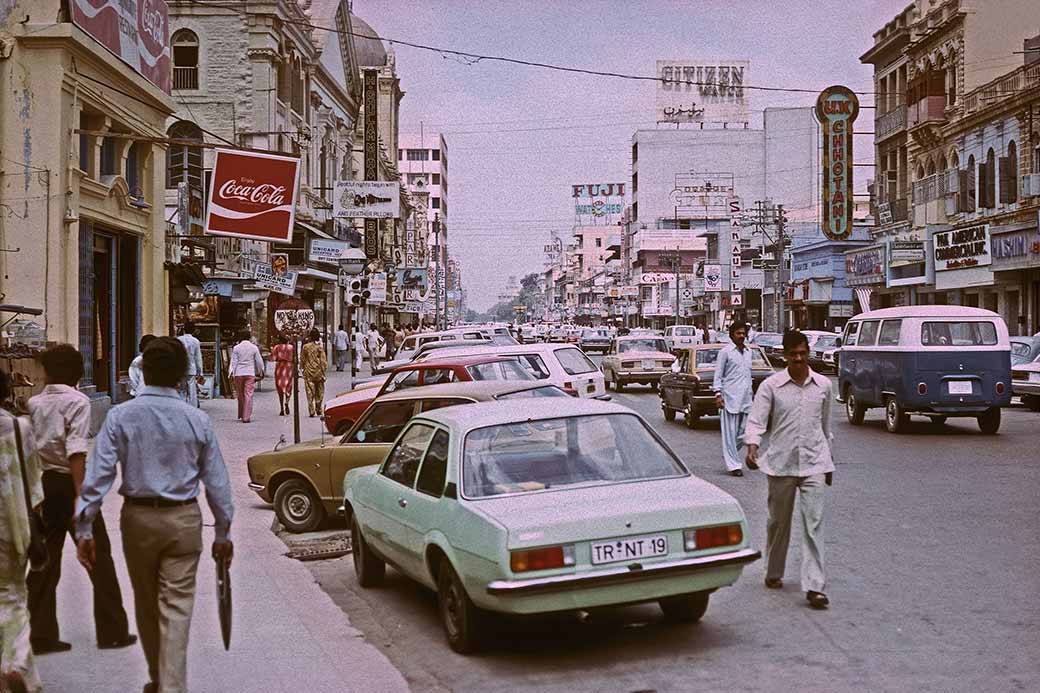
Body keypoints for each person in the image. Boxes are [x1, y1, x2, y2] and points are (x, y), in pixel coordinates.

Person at [74, 337, 234, 693]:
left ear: (143, 371)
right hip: (184, 522)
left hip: (138, 521)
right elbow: (218, 483)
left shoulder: (120, 416)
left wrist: (84, 527)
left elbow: (98, 475)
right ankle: (168, 683)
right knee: (176, 609)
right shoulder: (197, 420)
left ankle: (161, 681)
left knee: (146, 605)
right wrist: (222, 532)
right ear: (182, 375)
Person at [26, 345, 136, 655]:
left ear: (47, 371)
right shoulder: (78, 401)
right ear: (77, 372)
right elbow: (76, 451)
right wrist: (82, 498)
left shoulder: (35, 403)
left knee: (45, 560)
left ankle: (40, 632)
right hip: (69, 483)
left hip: (44, 485)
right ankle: (112, 630)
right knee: (99, 556)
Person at [744, 329, 835, 610]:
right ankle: (774, 571)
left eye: (802, 353)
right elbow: (757, 420)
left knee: (814, 525)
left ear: (808, 353)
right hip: (781, 464)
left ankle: (815, 586)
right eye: (793, 354)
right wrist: (752, 445)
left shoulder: (823, 386)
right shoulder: (771, 386)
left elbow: (825, 427)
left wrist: (828, 461)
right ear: (785, 356)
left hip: (815, 463)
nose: (798, 359)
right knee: (778, 522)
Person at [0, 370, 44, 693]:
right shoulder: (18, 427)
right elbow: (33, 483)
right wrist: (36, 527)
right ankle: (13, 662)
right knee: (12, 596)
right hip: (8, 527)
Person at [712, 323, 754, 477]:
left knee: (745, 431)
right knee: (729, 433)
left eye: (743, 333)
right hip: (729, 397)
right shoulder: (725, 352)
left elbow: (748, 375)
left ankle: (729, 452)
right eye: (738, 333)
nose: (741, 336)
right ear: (731, 335)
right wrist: (718, 394)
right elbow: (718, 375)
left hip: (746, 398)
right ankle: (734, 465)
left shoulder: (749, 351)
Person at [229, 330, 265, 423]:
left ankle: (241, 414)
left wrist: (231, 373)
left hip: (239, 373)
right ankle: (246, 416)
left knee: (240, 395)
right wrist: (261, 371)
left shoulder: (236, 348)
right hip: (250, 373)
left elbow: (233, 362)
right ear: (249, 337)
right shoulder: (254, 348)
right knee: (248, 394)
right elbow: (259, 361)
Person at [300, 329, 328, 418]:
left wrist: (302, 368)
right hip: (319, 372)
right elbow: (323, 361)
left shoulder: (305, 347)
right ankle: (318, 408)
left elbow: (303, 360)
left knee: (310, 391)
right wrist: (324, 372)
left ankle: (311, 410)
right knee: (320, 391)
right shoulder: (320, 347)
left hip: (308, 371)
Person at [177, 322, 204, 408]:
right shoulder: (195, 341)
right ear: (193, 330)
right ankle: (192, 407)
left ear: (184, 329)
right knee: (192, 390)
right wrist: (200, 371)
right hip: (191, 368)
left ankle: (182, 406)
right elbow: (198, 357)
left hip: (181, 368)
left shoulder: (178, 340)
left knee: (182, 389)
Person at [271, 333, 295, 416]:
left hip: (279, 367)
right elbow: (295, 359)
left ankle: (281, 408)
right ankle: (287, 402)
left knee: (280, 388)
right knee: (288, 386)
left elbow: (272, 358)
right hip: (289, 368)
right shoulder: (291, 347)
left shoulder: (276, 347)